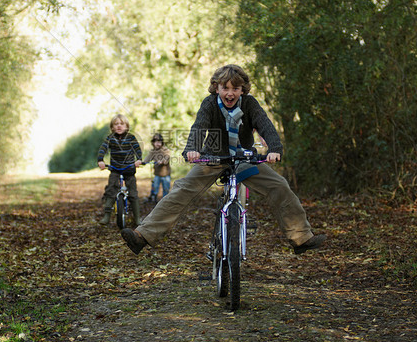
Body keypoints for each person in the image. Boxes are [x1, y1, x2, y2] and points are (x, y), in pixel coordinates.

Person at [121, 64, 326, 255]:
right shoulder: (210, 104)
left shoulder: (250, 104)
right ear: (216, 87)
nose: (230, 93)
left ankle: (300, 238)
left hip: (243, 158)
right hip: (213, 158)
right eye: (225, 88)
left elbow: (265, 126)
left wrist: (274, 149)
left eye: (235, 88)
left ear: (242, 90)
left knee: (279, 185)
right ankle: (142, 236)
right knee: (183, 189)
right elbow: (199, 127)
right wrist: (193, 149)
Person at [98, 114, 143, 225]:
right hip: (115, 169)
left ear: (126, 126)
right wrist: (101, 160)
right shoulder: (110, 138)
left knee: (133, 193)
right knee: (111, 191)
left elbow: (137, 149)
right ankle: (107, 216)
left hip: (129, 169)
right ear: (112, 127)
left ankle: (137, 219)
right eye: (116, 124)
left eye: (122, 124)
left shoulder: (131, 138)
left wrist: (139, 159)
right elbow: (103, 148)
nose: (119, 126)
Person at [142, 133, 172, 202]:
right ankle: (154, 199)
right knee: (155, 187)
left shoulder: (165, 150)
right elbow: (148, 158)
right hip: (157, 174)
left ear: (162, 143)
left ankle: (165, 201)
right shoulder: (153, 151)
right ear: (153, 143)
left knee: (166, 188)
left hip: (165, 174)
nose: (157, 144)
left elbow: (167, 157)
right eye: (156, 142)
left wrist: (162, 161)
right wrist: (143, 162)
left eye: (159, 142)